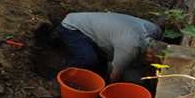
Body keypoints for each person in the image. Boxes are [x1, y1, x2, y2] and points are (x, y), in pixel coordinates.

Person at [32, 8, 164, 83]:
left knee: (104, 65)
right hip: (73, 26)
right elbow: (114, 76)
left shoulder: (154, 30)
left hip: (97, 28)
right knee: (88, 59)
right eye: (153, 61)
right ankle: (58, 79)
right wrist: (105, 90)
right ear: (149, 55)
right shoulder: (130, 48)